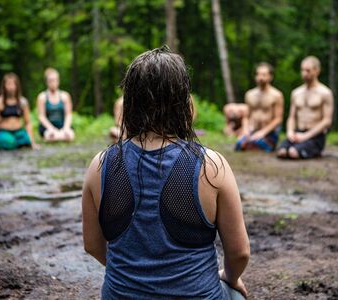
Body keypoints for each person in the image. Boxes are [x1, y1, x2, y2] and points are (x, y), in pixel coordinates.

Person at [82, 47, 250, 299]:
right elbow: (239, 253)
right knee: (236, 295)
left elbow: (92, 245)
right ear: (183, 101)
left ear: (131, 102)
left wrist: (137, 278)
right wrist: (229, 277)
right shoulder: (212, 166)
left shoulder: (100, 165)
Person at [277, 56, 334, 159]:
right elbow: (292, 117)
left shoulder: (325, 93)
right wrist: (290, 132)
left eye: (308, 70)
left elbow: (327, 121)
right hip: (298, 133)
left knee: (293, 153)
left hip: (315, 136)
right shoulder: (296, 93)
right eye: (302, 70)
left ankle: (314, 150)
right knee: (282, 152)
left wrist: (306, 136)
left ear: (317, 71)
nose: (304, 73)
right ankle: (299, 147)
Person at [235, 63, 284, 152]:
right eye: (258, 74)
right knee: (239, 145)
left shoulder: (277, 95)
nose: (260, 77)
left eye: (264, 75)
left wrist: (262, 132)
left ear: (270, 77)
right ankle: (250, 141)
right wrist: (245, 130)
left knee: (256, 145)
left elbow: (278, 119)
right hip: (252, 131)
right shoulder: (249, 94)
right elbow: (246, 116)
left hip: (268, 133)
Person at [0, 73, 38, 153]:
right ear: (4, 86)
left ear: (17, 86)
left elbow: (28, 123)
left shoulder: (23, 102)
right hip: (4, 131)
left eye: (13, 84)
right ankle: (6, 143)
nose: (11, 87)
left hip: (18, 131)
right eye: (8, 84)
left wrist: (32, 142)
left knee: (26, 140)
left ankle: (19, 143)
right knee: (9, 142)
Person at [37, 68, 75, 142]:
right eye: (51, 80)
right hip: (48, 127)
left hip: (62, 125)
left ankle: (60, 134)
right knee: (51, 136)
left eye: (55, 80)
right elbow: (41, 116)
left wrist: (66, 128)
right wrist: (51, 129)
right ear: (47, 82)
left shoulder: (65, 96)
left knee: (69, 136)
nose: (53, 83)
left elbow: (68, 114)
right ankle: (57, 135)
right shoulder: (42, 97)